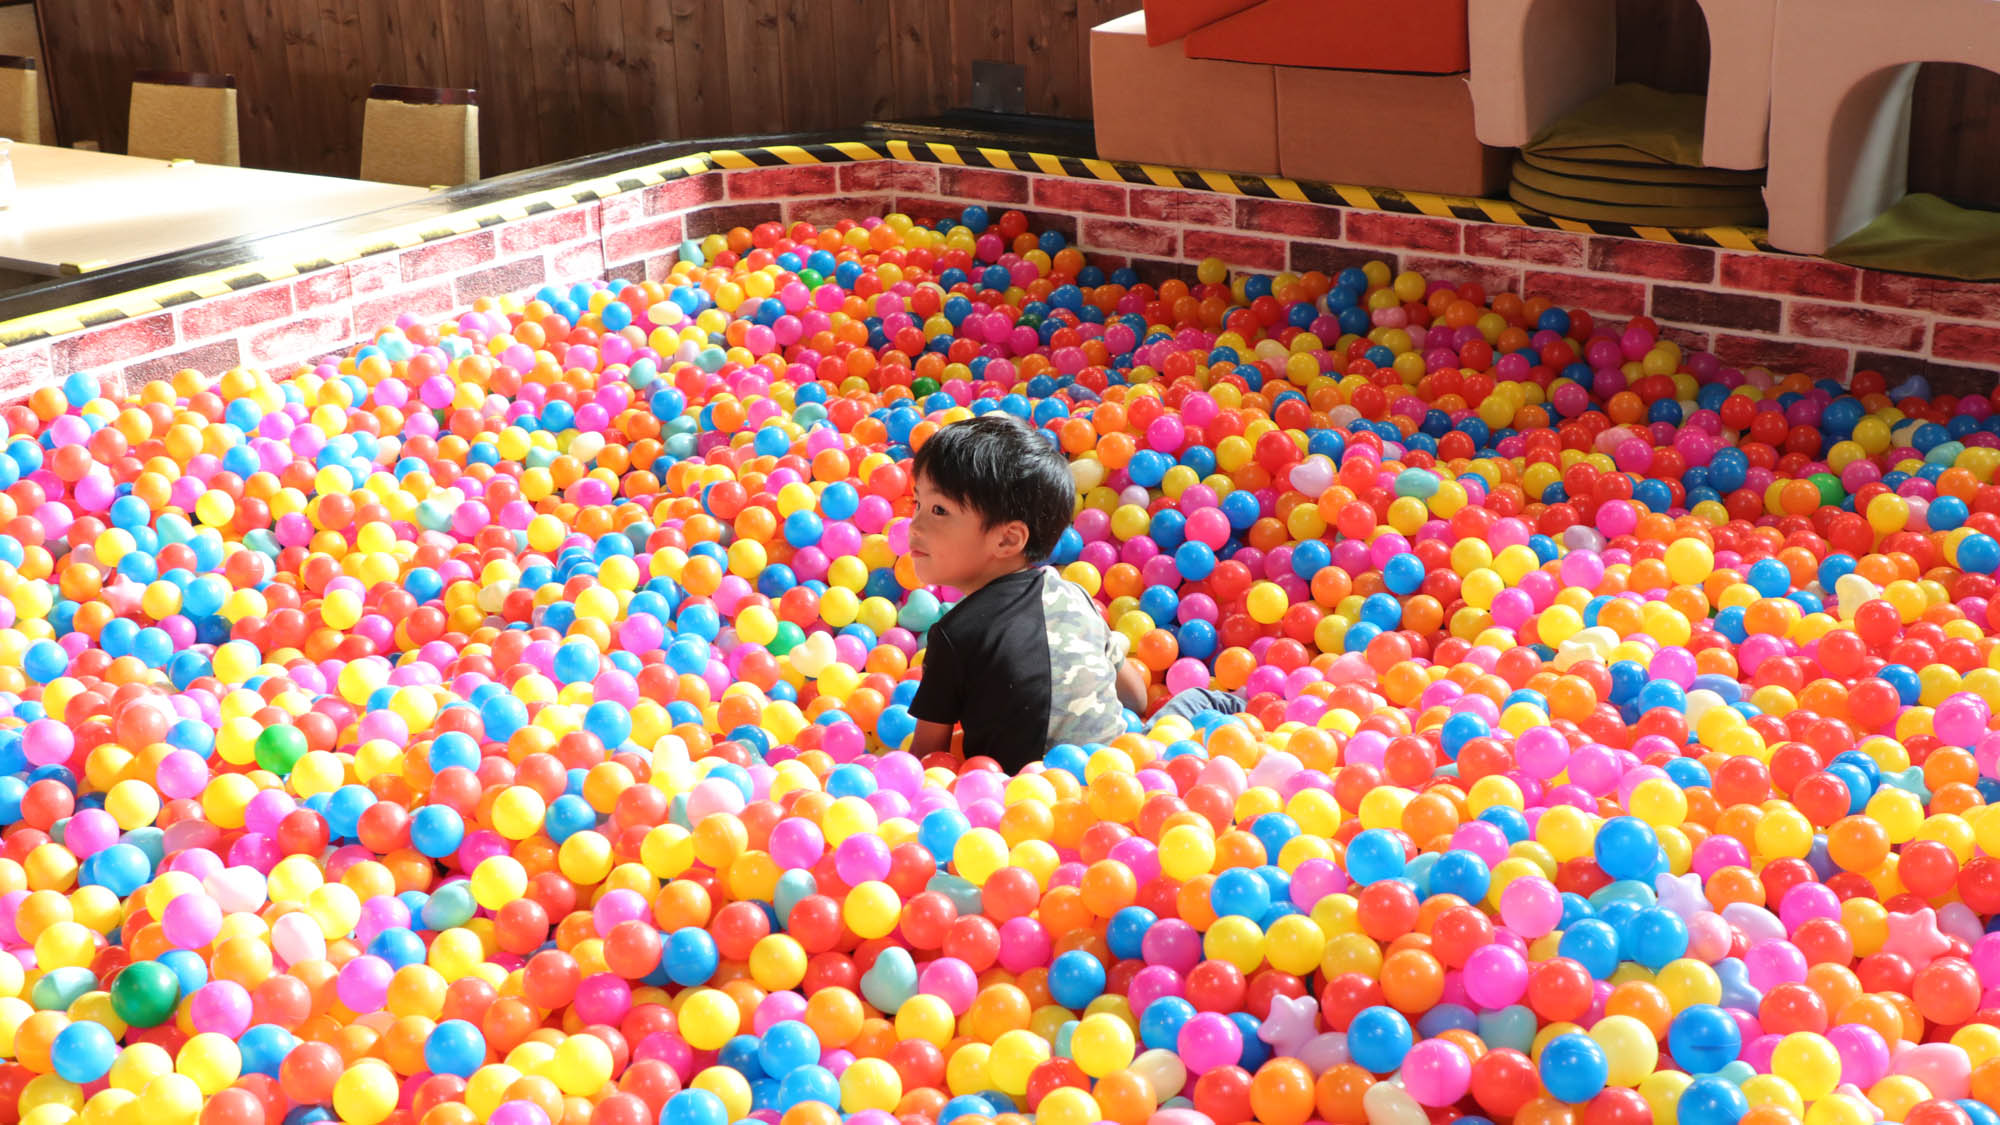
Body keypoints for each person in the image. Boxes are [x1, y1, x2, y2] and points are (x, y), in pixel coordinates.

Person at [905, 412, 1151, 772]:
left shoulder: (954, 635)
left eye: (939, 510)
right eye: (917, 504)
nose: (915, 524)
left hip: (1018, 793)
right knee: (1197, 701)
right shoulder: (1076, 597)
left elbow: (926, 759)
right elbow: (1137, 698)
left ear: (1008, 539)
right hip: (1122, 772)